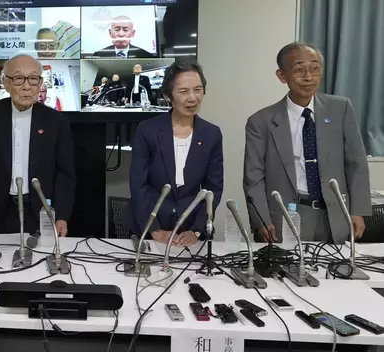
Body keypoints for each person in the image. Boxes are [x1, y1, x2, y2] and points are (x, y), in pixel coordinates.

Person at [244, 42, 370, 244]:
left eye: (315, 68)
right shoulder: (261, 122)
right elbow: (254, 177)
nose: (308, 77)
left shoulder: (340, 109)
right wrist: (261, 219)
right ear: (282, 76)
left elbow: (356, 163)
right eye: (299, 70)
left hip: (335, 215)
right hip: (285, 216)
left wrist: (358, 210)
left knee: (334, 272)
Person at [0, 54, 75, 236]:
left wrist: (62, 215)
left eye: (33, 79)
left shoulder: (56, 122)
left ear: (40, 84)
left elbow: (65, 173)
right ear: (7, 84)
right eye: (18, 79)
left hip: (42, 211)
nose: (26, 86)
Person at [127, 59, 223, 247]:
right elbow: (138, 185)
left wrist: (196, 230)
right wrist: (153, 229)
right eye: (183, 91)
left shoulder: (211, 134)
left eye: (198, 90)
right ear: (168, 95)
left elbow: (213, 189)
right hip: (149, 228)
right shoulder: (148, 130)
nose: (193, 98)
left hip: (190, 231)